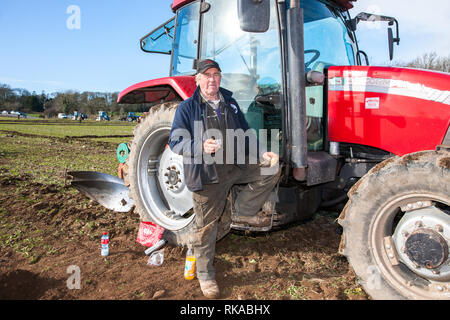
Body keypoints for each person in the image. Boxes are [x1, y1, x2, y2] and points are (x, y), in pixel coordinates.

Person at [168, 59, 280, 299]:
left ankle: (241, 212)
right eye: (207, 75)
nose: (212, 79)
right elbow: (175, 142)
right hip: (208, 176)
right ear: (197, 79)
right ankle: (205, 275)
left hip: (234, 166)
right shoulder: (186, 108)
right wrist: (200, 145)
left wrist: (262, 153)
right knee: (206, 228)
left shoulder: (229, 102)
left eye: (216, 74)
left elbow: (246, 132)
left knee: (271, 169)